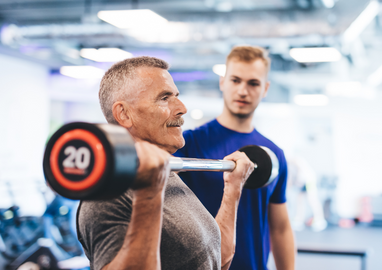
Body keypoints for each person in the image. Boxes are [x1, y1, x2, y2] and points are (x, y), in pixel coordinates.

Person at [77, 56, 255, 270]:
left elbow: (217, 259)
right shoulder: (108, 195)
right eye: (164, 98)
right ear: (124, 114)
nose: (181, 108)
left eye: (176, 96)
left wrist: (233, 189)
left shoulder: (168, 174)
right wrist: (148, 195)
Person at [174, 45, 296, 269]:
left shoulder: (274, 154)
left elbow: (280, 227)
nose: (243, 91)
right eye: (235, 80)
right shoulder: (188, 144)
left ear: (265, 89)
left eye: (253, 83)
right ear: (222, 82)